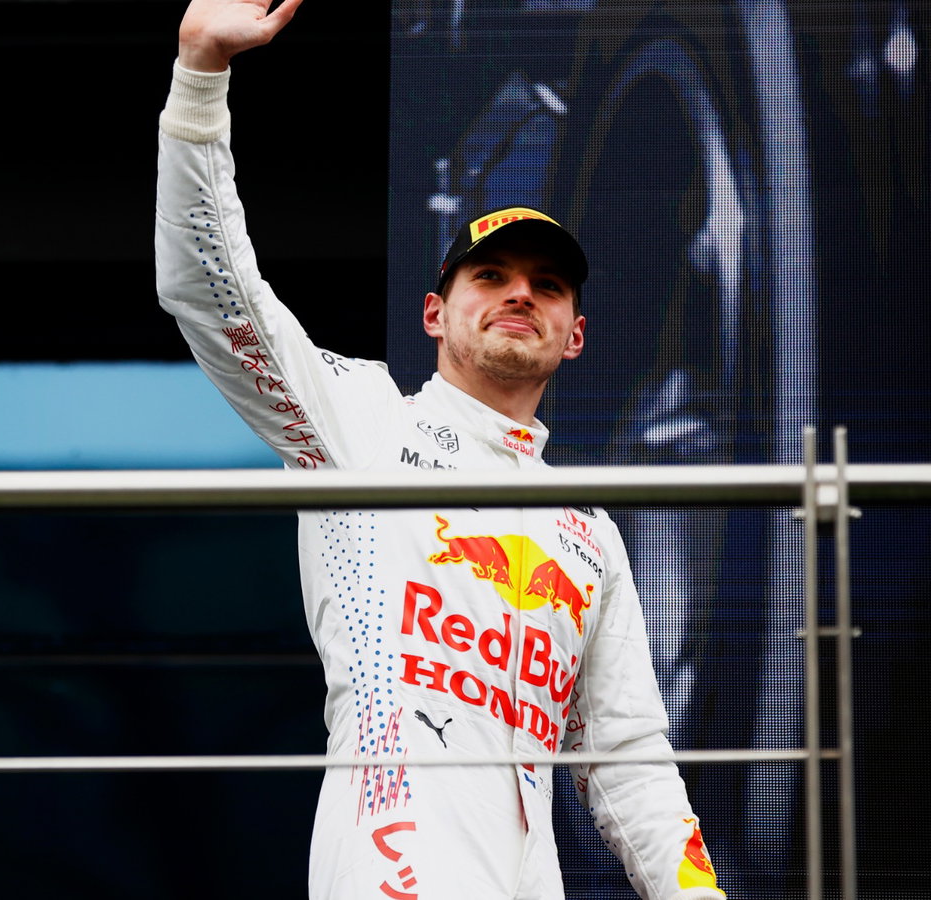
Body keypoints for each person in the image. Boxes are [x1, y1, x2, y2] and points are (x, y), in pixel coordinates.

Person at [153, 2, 727, 898]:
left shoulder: (589, 534)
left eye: (547, 286)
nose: (519, 295)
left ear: (575, 334)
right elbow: (212, 289)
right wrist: (199, 75)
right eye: (489, 276)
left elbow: (632, 767)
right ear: (435, 314)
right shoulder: (358, 420)